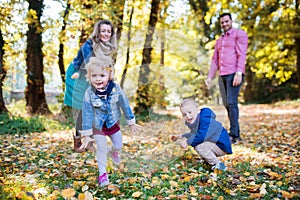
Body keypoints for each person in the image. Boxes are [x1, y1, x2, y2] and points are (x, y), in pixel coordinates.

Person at [79, 57, 141, 187]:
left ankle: (112, 151)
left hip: (113, 123)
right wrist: (86, 134)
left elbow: (124, 104)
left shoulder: (116, 89)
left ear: (110, 75)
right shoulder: (89, 93)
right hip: (98, 126)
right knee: (101, 149)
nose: (98, 79)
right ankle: (103, 175)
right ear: (89, 77)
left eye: (102, 75)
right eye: (94, 75)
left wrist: (131, 122)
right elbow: (87, 112)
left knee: (118, 145)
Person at [63, 19, 117, 152]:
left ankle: (90, 141)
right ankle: (78, 142)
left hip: (94, 75)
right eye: (103, 31)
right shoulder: (89, 45)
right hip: (78, 75)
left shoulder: (107, 47)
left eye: (108, 31)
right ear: (98, 32)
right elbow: (90, 65)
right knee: (81, 108)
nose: (106, 34)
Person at [206, 13, 248, 144]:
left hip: (234, 74)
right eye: (222, 22)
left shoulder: (239, 35)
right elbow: (215, 60)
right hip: (222, 75)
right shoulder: (219, 40)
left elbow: (242, 55)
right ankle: (236, 133)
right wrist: (209, 77)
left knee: (231, 102)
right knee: (226, 104)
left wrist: (239, 72)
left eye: (226, 21)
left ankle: (234, 135)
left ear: (231, 21)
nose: (224, 24)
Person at [173, 98, 232, 171]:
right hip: (215, 144)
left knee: (199, 146)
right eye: (184, 114)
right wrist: (183, 136)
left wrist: (187, 142)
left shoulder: (205, 120)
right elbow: (195, 134)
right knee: (197, 144)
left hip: (221, 145)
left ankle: (218, 165)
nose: (187, 116)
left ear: (198, 110)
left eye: (190, 112)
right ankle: (208, 161)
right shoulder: (197, 121)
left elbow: (201, 136)